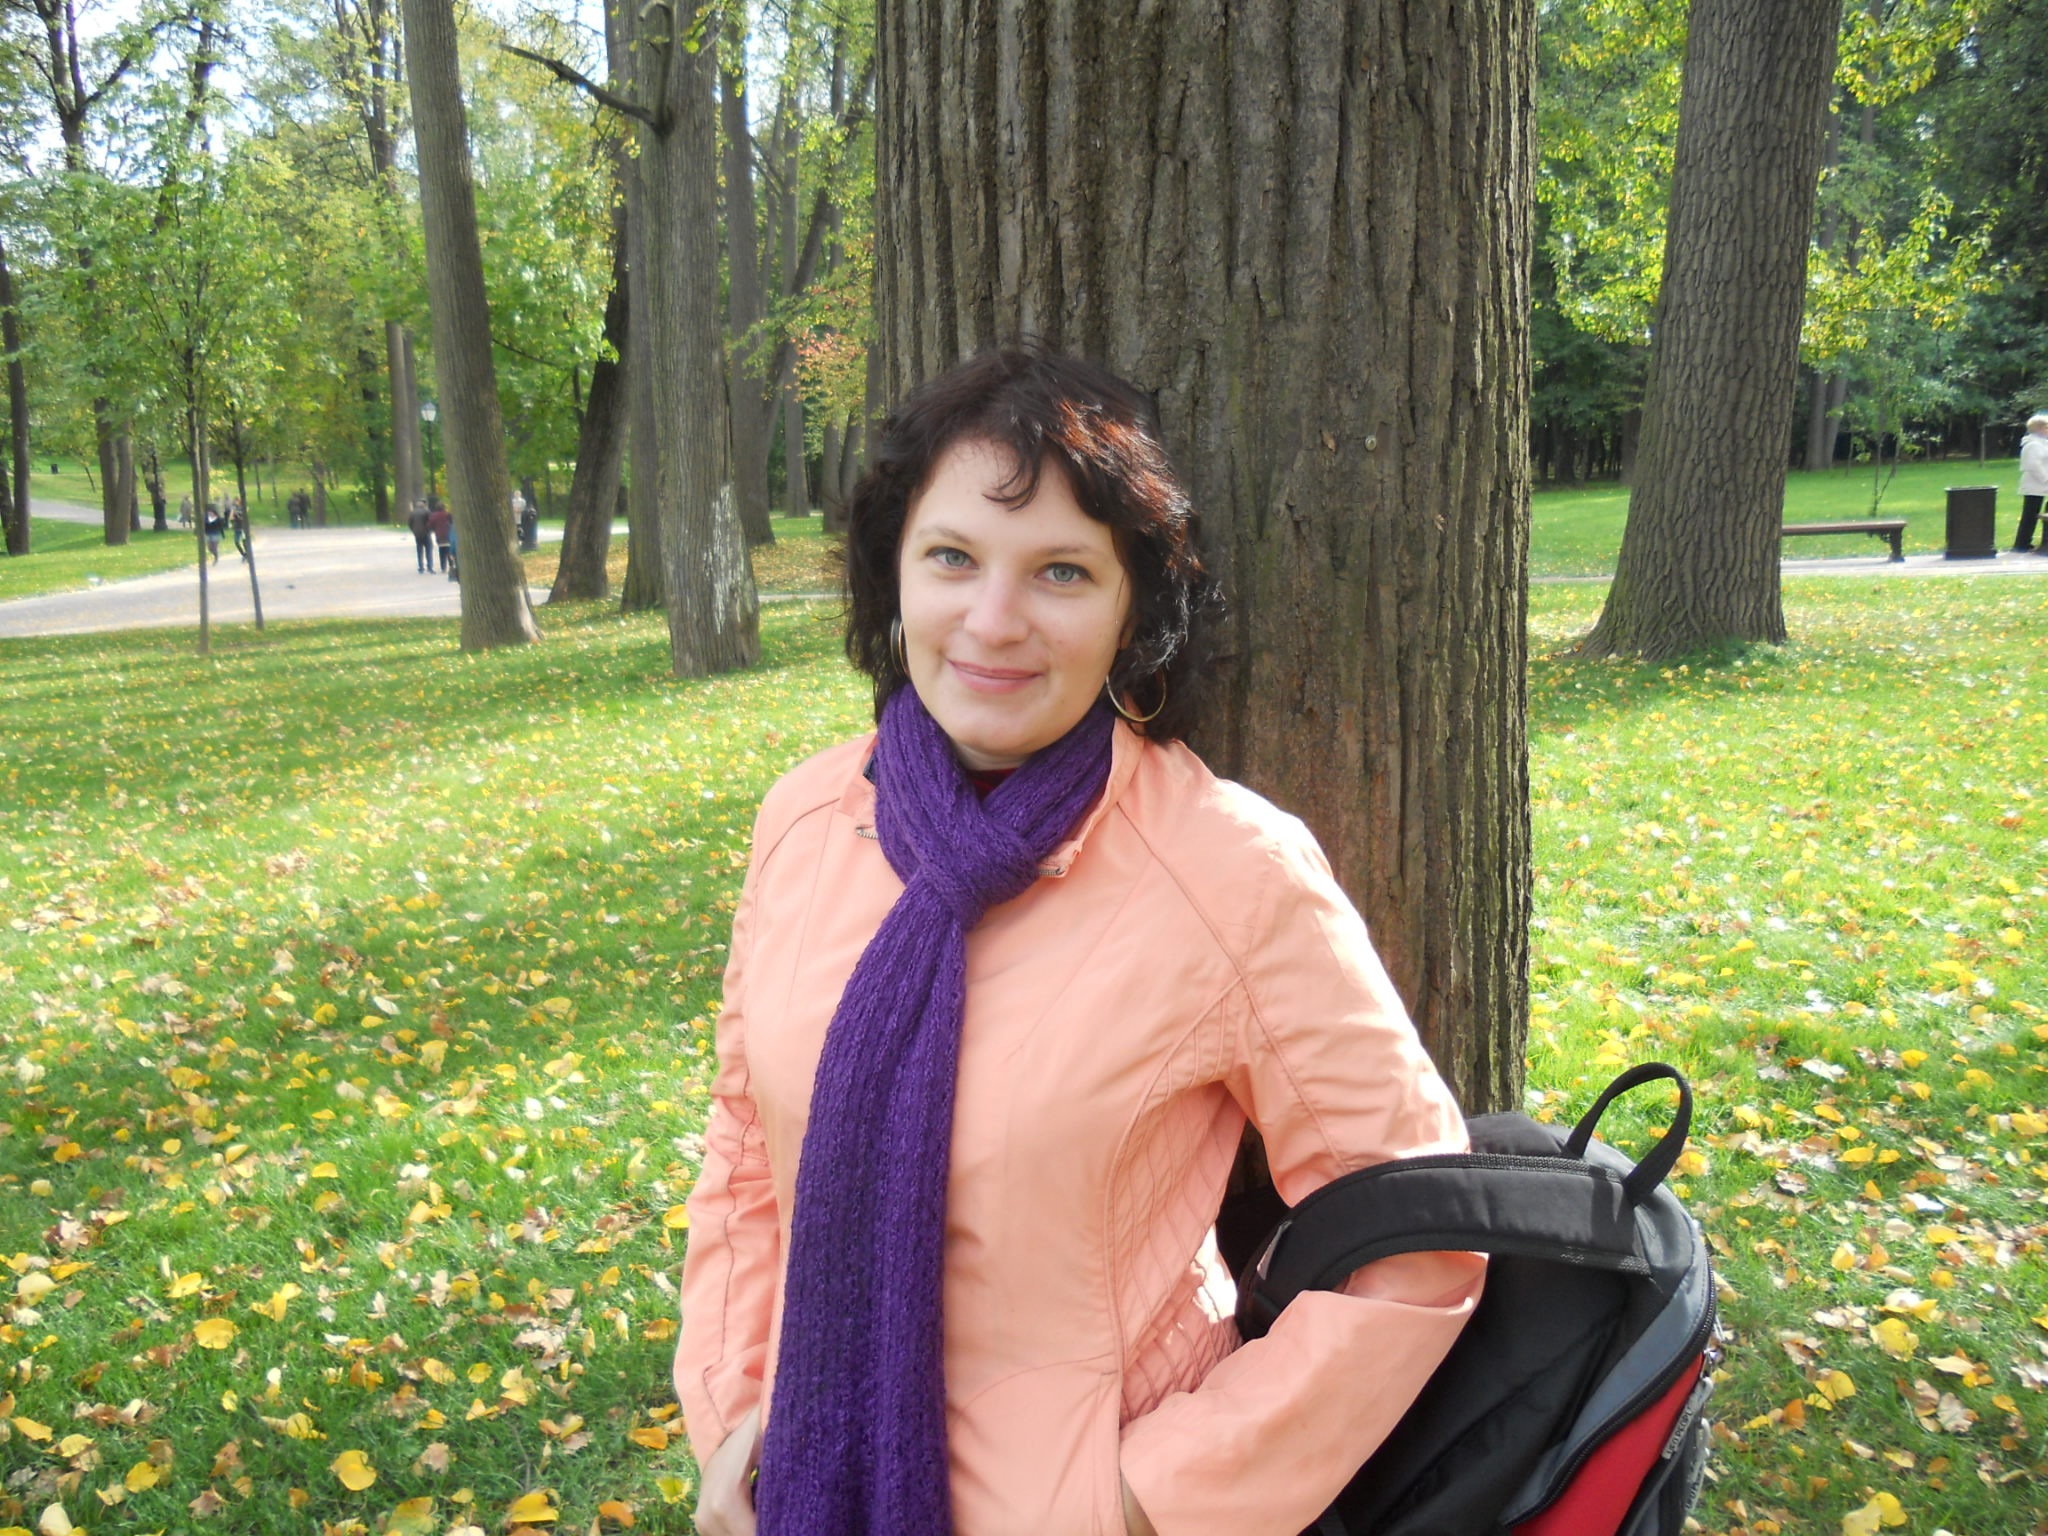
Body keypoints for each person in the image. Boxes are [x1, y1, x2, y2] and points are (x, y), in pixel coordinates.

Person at [673, 349, 1483, 1536]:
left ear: (1130, 611)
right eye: (951, 557)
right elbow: (748, 1154)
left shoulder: (1228, 871)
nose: (991, 621)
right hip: (809, 1482)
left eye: (1060, 571)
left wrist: (1154, 1499)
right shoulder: (803, 821)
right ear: (892, 572)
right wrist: (732, 1410)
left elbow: (1419, 1229)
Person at [2015, 413, 2048, 552]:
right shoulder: (2033, 445)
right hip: (2035, 484)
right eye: (2046, 427)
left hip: (2041, 484)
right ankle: (2022, 543)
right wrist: (2046, 479)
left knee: (2033, 513)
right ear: (2038, 429)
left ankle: (2027, 542)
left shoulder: (2042, 443)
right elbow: (2033, 465)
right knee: (2030, 514)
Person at [428, 497, 454, 576]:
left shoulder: (434, 515)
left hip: (439, 535)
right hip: (448, 534)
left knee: (441, 551)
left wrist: (433, 529)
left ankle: (443, 567)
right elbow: (452, 522)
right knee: (449, 550)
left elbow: (430, 525)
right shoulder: (448, 514)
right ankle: (451, 564)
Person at [408, 497, 434, 572]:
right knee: (429, 550)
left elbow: (410, 523)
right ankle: (430, 567)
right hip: (426, 533)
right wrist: (430, 530)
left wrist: (414, 531)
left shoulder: (413, 513)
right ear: (424, 505)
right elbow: (431, 521)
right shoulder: (427, 512)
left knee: (419, 551)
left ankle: (421, 567)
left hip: (417, 534)